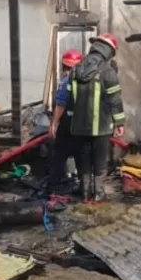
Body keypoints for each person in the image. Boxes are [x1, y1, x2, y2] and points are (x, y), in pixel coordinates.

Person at [51, 33, 125, 204]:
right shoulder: (108, 71)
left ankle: (85, 195)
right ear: (108, 51)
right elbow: (115, 100)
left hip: (78, 127)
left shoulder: (75, 70)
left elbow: (67, 101)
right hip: (102, 127)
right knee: (99, 160)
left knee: (83, 161)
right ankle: (98, 195)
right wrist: (119, 122)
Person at [45, 49, 83, 203]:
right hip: (84, 127)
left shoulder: (66, 82)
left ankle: (52, 189)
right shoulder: (89, 80)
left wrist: (53, 124)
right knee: (83, 159)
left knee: (60, 156)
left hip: (68, 126)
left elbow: (60, 104)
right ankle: (85, 189)